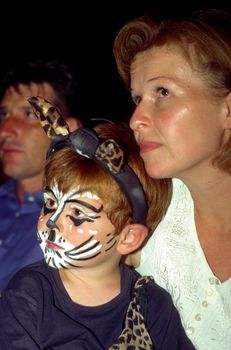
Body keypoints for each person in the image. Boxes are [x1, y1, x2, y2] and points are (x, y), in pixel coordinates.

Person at [0, 96, 195, 350]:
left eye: (78, 216)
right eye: (50, 204)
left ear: (128, 238)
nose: (51, 223)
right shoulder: (29, 293)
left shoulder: (151, 304)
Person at [113, 8, 231, 350]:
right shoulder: (147, 210)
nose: (136, 119)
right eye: (137, 99)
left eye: (162, 92)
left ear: (227, 110)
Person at [0, 59, 82, 290]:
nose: (6, 130)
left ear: (69, 130)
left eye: (29, 114)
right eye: (4, 115)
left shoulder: (81, 223)